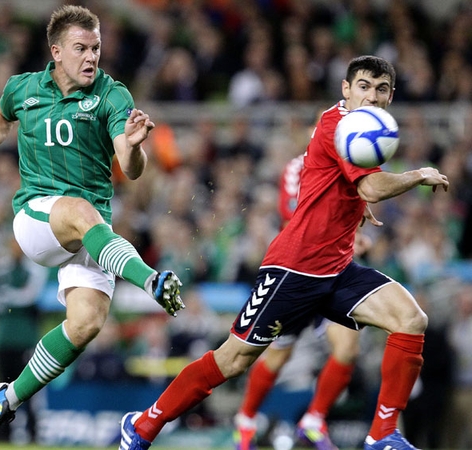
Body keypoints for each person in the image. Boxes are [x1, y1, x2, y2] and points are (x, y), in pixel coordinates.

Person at [119, 55, 449, 450]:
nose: (372, 96)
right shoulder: (339, 124)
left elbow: (338, 183)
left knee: (411, 319)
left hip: (337, 268)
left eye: (381, 89)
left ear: (391, 96)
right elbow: (370, 187)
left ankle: (382, 435)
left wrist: (357, 209)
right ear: (346, 89)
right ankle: (142, 426)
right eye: (364, 86)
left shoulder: (357, 129)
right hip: (293, 269)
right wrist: (418, 174)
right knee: (233, 360)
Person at [0, 5, 184, 445]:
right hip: (36, 219)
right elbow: (0, 116)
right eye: (81, 49)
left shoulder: (112, 95)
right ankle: (152, 281)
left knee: (84, 324)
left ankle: (7, 399)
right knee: (83, 210)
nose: (91, 58)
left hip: (91, 231)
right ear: (56, 51)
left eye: (96, 48)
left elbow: (130, 166)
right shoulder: (22, 89)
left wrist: (137, 148)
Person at [234, 154, 374, 450]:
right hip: (298, 273)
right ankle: (244, 422)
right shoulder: (298, 167)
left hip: (333, 273)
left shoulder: (353, 168)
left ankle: (313, 420)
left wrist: (353, 239)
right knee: (277, 356)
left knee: (348, 347)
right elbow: (294, 218)